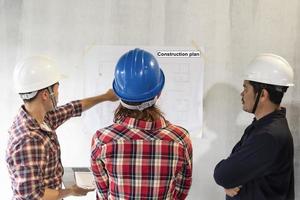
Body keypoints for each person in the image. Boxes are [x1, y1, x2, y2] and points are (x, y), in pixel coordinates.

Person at [6, 56, 118, 200]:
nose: (59, 94)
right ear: (46, 95)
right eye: (57, 90)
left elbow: (72, 108)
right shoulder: (29, 140)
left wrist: (106, 96)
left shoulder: (41, 118)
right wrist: (70, 191)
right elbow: (32, 196)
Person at [91, 48, 193, 200]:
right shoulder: (180, 139)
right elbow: (181, 192)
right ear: (158, 93)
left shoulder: (102, 140)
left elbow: (103, 194)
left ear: (119, 94)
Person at [213, 53, 295, 200]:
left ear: (262, 95)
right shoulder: (263, 125)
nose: (242, 93)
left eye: (246, 88)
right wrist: (230, 178)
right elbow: (232, 169)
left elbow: (223, 175)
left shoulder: (268, 136)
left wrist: (228, 178)